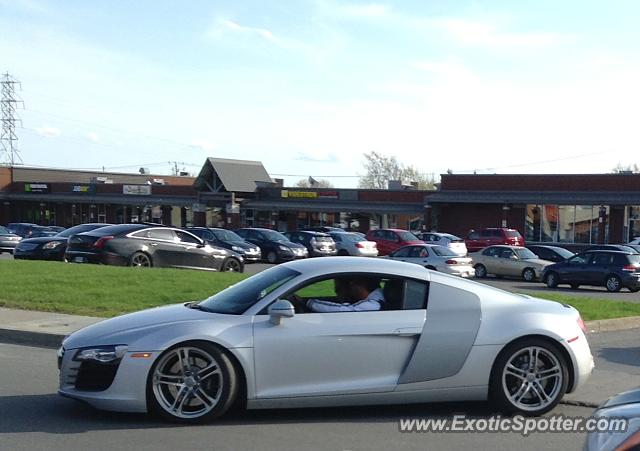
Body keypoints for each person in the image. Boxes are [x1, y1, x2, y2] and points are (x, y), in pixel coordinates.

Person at [305, 277, 384, 313]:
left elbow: (342, 310)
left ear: (361, 286)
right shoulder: (376, 297)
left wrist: (308, 302)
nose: (350, 287)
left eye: (352, 284)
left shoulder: (373, 304)